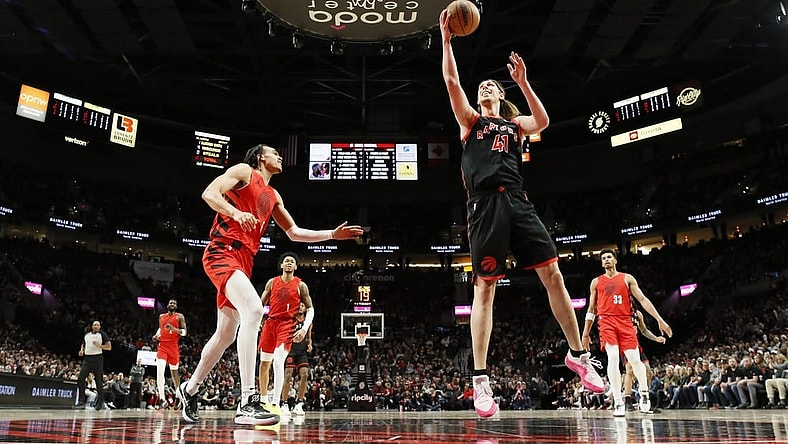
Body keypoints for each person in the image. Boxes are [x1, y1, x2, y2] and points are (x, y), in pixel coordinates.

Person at [439, 8, 605, 418]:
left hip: (518, 199)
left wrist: (524, 83)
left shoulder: (514, 126)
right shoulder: (471, 123)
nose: (484, 88)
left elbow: (543, 119)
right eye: (482, 86)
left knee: (554, 274)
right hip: (485, 206)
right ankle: (480, 380)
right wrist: (446, 42)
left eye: (490, 86)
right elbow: (451, 81)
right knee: (485, 288)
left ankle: (578, 355)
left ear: (501, 97)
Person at [176, 144, 363, 426]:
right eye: (275, 152)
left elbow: (294, 232)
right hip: (222, 251)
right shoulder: (244, 172)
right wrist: (236, 213)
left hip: (243, 260)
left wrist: (332, 235)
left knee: (226, 335)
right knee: (253, 310)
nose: (280, 157)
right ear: (261, 157)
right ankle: (248, 401)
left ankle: (189, 390)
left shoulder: (273, 196)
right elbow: (209, 194)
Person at [581, 248, 672, 417]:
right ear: (601, 263)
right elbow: (591, 308)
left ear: (615, 261)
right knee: (613, 357)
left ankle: (644, 395)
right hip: (606, 321)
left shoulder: (627, 278)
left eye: (609, 257)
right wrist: (585, 332)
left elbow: (643, 300)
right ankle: (618, 401)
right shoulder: (596, 282)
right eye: (604, 258)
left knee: (635, 360)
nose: (607, 260)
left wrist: (659, 319)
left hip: (625, 321)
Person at [257, 253, 313, 417]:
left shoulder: (300, 285)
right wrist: (259, 320)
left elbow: (310, 309)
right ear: (281, 265)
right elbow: (261, 304)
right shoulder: (272, 282)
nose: (289, 263)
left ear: (295, 267)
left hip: (288, 324)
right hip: (271, 323)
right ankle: (263, 399)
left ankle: (276, 402)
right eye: (286, 261)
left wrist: (304, 329)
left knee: (279, 359)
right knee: (264, 362)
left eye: (292, 262)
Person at [622, 309, 666, 411]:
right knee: (630, 371)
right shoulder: (620, 311)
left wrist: (655, 338)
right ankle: (627, 400)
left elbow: (644, 330)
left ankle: (646, 398)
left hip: (636, 346)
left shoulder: (638, 314)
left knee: (648, 372)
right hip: (625, 344)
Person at [280, 301, 313, 416]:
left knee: (305, 375)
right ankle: (284, 403)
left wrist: (309, 344)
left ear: (305, 309)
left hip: (302, 351)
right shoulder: (291, 319)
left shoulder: (308, 322)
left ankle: (299, 403)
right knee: (288, 375)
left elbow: (309, 337)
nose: (301, 307)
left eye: (303, 306)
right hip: (291, 350)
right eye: (299, 305)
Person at [153, 298, 186, 409]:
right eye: (170, 302)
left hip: (173, 347)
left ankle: (178, 396)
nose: (172, 304)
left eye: (174, 303)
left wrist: (173, 328)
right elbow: (160, 329)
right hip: (162, 346)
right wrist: (156, 335)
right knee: (160, 371)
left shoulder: (179, 316)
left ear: (176, 306)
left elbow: (184, 332)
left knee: (174, 374)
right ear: (167, 305)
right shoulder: (161, 317)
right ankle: (162, 399)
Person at [75, 320, 111, 410]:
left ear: (99, 327)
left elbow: (109, 347)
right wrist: (82, 350)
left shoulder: (102, 334)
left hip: (97, 358)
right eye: (94, 325)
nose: (96, 326)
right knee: (81, 378)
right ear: (92, 326)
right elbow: (83, 344)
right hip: (87, 358)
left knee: (99, 381)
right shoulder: (87, 335)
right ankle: (81, 401)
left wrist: (100, 346)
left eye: (97, 325)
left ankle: (101, 402)